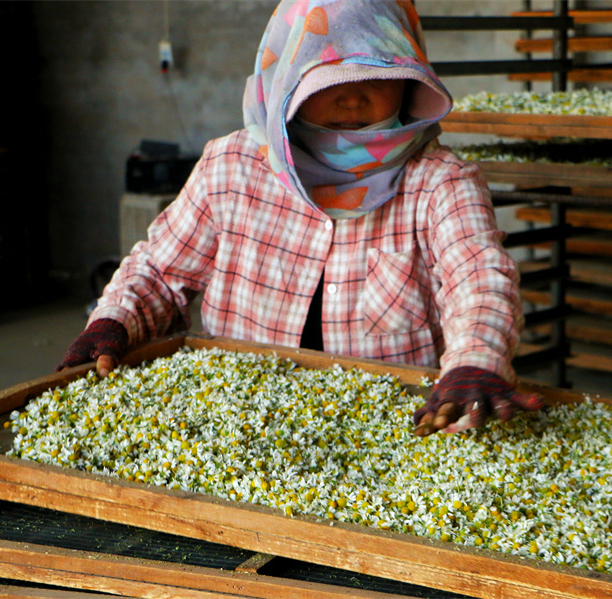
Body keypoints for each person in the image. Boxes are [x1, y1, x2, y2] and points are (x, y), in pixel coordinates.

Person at [59, 0, 543, 436]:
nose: (354, 99)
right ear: (289, 79)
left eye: (376, 75)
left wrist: (474, 362)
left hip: (393, 433)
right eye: (330, 80)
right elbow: (162, 273)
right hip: (237, 422)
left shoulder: (440, 183)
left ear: (409, 80)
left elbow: (478, 281)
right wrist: (114, 322)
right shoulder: (232, 167)